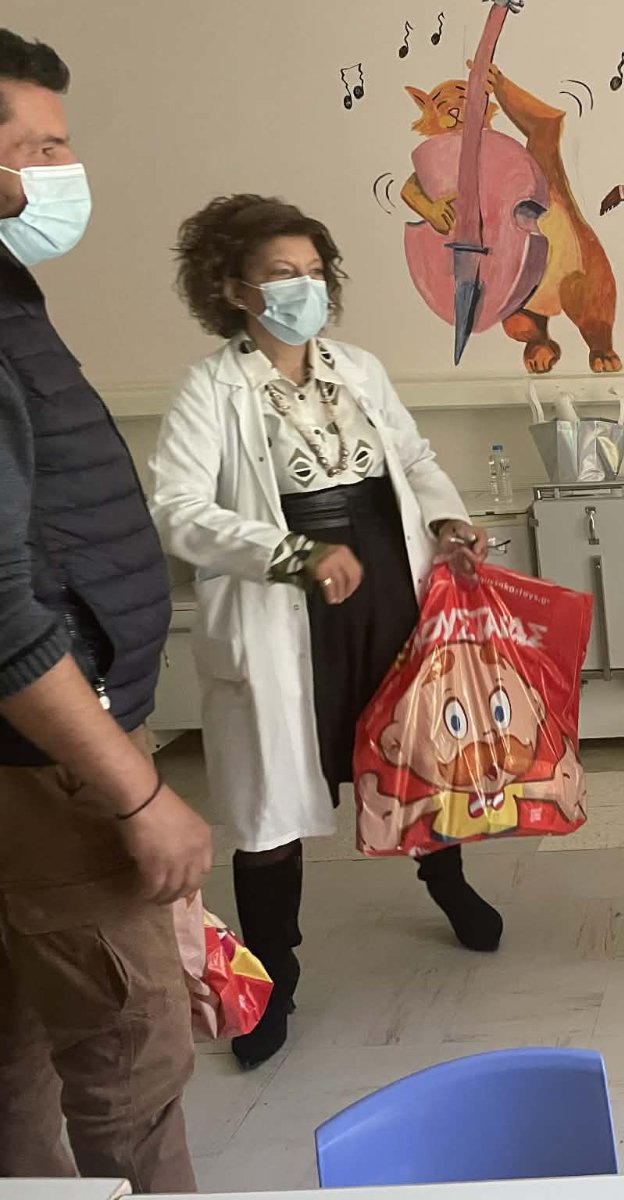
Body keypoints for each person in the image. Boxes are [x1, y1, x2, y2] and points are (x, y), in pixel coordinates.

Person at [149, 194, 495, 1071]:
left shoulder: (359, 369)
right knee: (270, 801)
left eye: (312, 273)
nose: (303, 289)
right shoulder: (209, 388)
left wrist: (447, 520)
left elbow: (412, 459)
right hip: (285, 594)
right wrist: (291, 553)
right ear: (233, 288)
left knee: (415, 753)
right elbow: (177, 511)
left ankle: (448, 883)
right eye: (281, 275)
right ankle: (274, 980)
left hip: (384, 582)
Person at [0, 29, 212, 1192]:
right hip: (49, 761)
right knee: (130, 1056)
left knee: (24, 1043)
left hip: (51, 748)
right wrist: (134, 790)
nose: (62, 171)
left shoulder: (11, 298)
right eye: (38, 148)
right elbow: (2, 605)